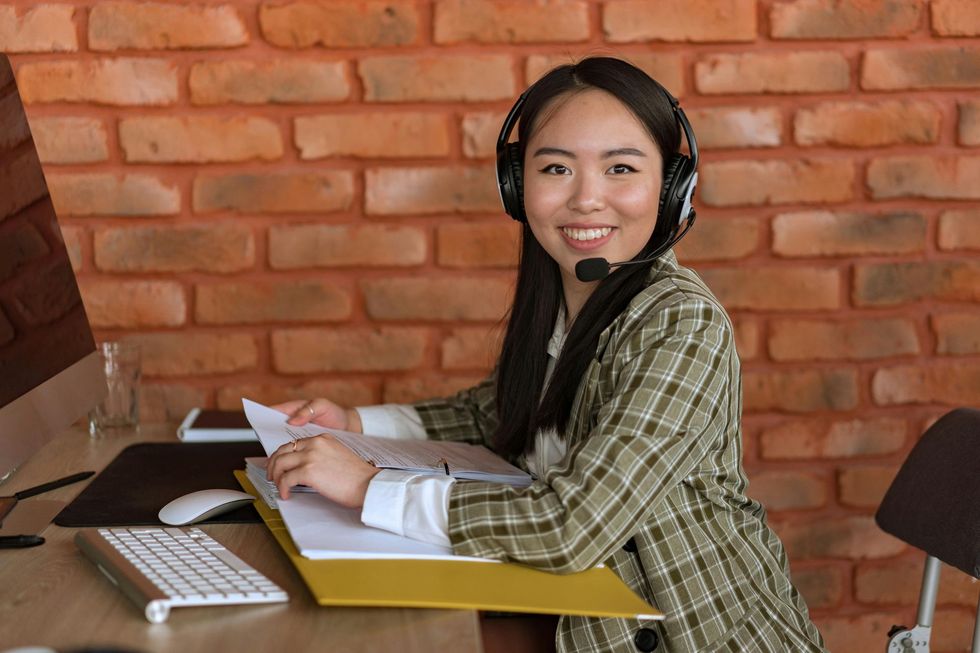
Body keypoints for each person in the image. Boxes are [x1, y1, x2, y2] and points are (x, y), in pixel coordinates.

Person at [267, 57, 827, 652]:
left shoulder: (680, 324)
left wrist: (370, 487)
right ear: (517, 186)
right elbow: (499, 415)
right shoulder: (563, 301)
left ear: (670, 189)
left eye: (620, 168)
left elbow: (571, 527)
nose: (586, 199)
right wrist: (356, 425)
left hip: (696, 635)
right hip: (578, 617)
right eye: (557, 167)